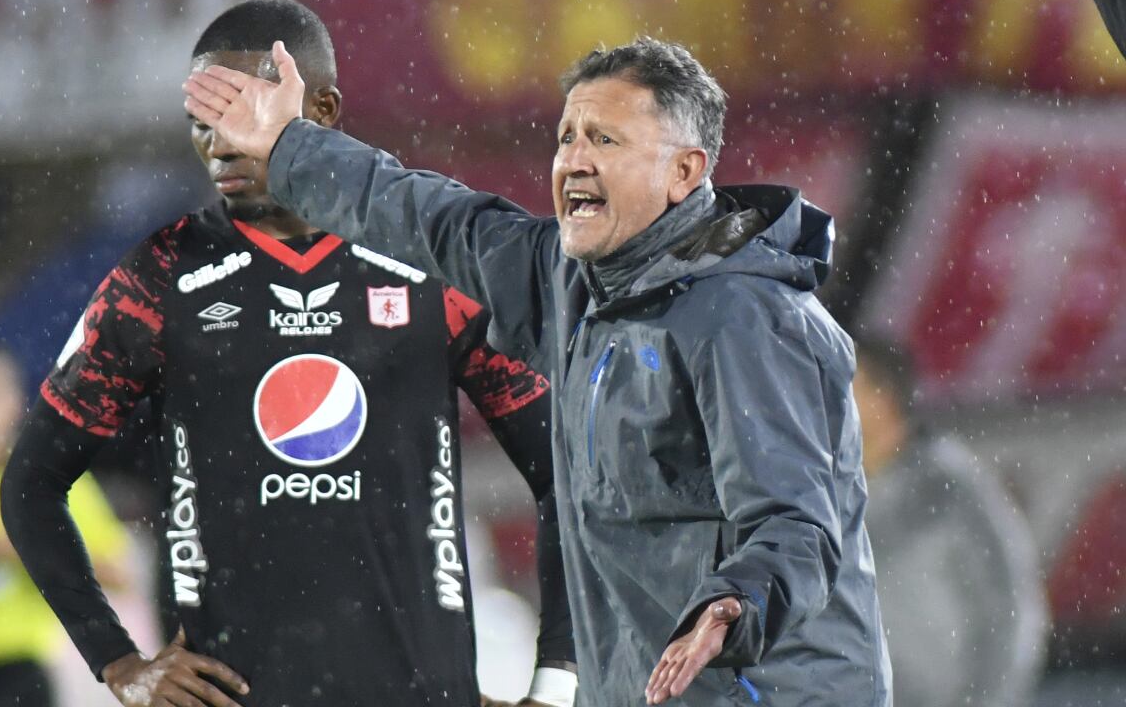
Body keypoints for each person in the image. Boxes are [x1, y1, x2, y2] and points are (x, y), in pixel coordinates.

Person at [184, 35, 892, 706]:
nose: (574, 160)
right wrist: (289, 145)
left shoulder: (746, 320)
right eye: (566, 137)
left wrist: (737, 603)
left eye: (605, 140)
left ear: (684, 172)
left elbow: (795, 523)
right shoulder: (576, 283)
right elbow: (423, 214)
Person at [1, 0, 575, 707]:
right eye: (201, 120)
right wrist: (116, 660)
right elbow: (29, 483)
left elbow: (565, 473)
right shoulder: (158, 279)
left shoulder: (431, 260)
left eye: (240, 111)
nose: (217, 142)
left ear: (322, 110)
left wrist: (555, 684)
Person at [0, 343, 126, 707]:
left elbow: (118, 573)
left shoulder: (47, 484)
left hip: (18, 675)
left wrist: (19, 549)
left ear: (15, 402)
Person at [853, 340, 1047, 707]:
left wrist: (987, 700)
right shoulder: (827, 492)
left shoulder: (951, 489)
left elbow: (1011, 607)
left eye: (849, 385)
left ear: (885, 398)